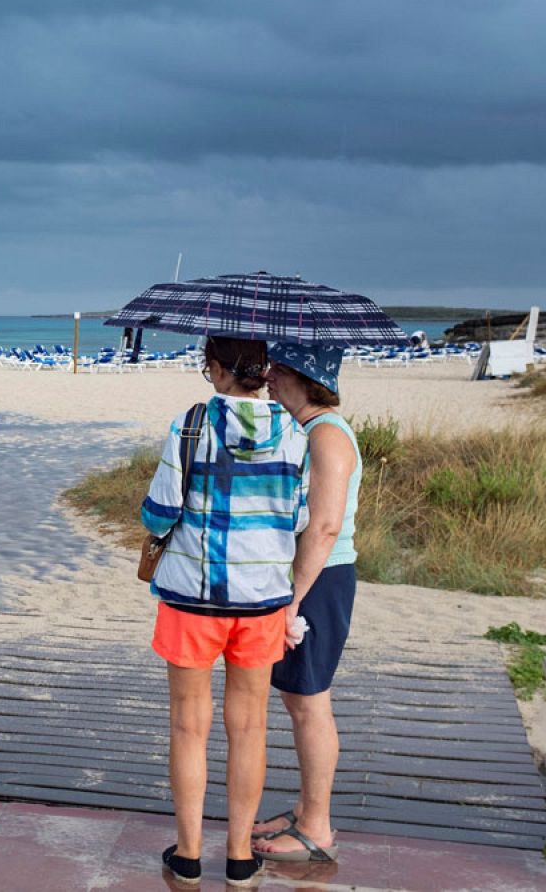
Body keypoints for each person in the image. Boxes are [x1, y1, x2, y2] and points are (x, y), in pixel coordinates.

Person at [141, 336, 310, 887]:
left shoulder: (192, 424)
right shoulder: (294, 430)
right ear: (262, 371)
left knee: (189, 727)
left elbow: (160, 511)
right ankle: (240, 857)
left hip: (193, 597)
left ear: (216, 369)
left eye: (207, 367)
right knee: (250, 727)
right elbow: (300, 516)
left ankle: (188, 856)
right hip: (260, 600)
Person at [252, 343, 360, 863]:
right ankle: (304, 808)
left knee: (310, 702)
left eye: (278, 369)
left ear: (303, 376)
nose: (268, 376)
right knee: (298, 699)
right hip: (308, 575)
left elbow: (324, 526)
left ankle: (317, 825)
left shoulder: (328, 437)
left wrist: (290, 600)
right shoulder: (308, 431)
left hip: (319, 578)